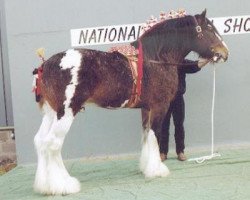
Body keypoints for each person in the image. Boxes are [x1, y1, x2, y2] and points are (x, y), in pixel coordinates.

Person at [160, 59, 209, 161]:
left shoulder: (181, 61)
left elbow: (196, 65)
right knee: (164, 126)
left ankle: (180, 152)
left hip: (178, 98)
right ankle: (163, 152)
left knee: (179, 125)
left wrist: (209, 59)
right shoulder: (162, 61)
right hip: (164, 99)